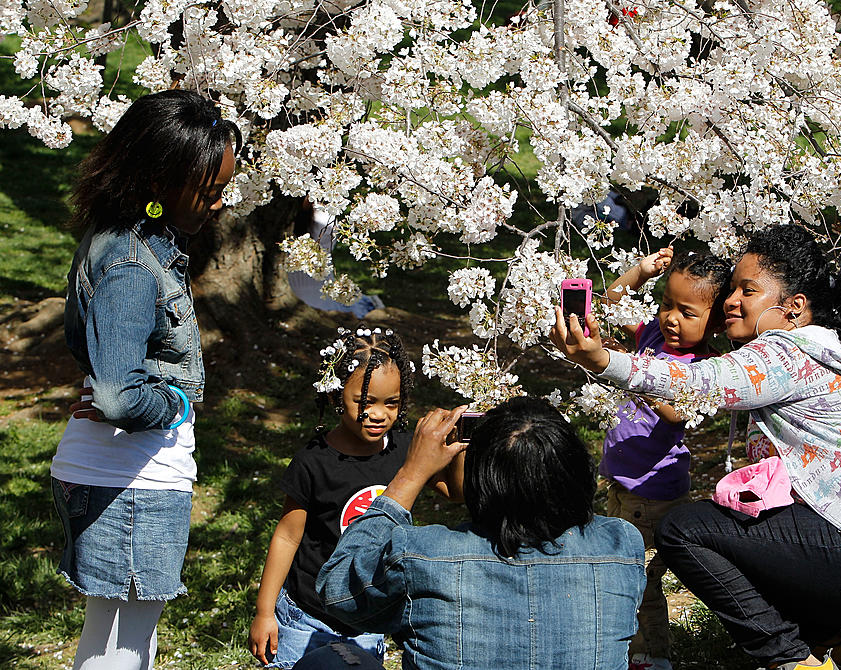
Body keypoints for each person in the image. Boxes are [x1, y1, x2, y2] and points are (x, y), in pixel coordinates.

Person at [551, 225, 841, 670]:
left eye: (747, 290)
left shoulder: (788, 352)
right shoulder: (825, 350)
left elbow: (700, 383)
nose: (731, 301)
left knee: (684, 530)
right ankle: (834, 642)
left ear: (793, 308)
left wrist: (604, 361)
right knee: (748, 522)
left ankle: (791, 660)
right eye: (732, 289)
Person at [52, 89, 240, 669]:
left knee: (109, 638)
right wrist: (174, 404)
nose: (217, 206)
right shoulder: (133, 263)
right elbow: (117, 392)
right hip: (133, 479)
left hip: (116, 474)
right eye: (209, 192)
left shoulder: (132, 242)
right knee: (126, 647)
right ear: (161, 179)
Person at [293, 396, 646, 670]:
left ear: (481, 484)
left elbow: (338, 590)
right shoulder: (620, 545)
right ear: (576, 474)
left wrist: (410, 474)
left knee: (330, 659)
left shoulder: (423, 557)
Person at [248, 326, 461, 668]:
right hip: (306, 617)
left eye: (391, 403)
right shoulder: (314, 461)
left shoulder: (406, 451)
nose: (379, 414)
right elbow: (288, 537)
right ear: (334, 397)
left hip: (367, 616)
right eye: (364, 402)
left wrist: (458, 445)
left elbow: (455, 493)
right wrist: (264, 611)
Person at [600, 247, 729, 670]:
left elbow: (676, 412)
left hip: (653, 490)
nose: (671, 317)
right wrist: (639, 271)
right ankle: (633, 645)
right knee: (624, 569)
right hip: (623, 481)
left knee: (641, 581)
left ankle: (652, 654)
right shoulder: (654, 338)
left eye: (687, 312)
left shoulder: (699, 365)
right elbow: (612, 302)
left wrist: (632, 371)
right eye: (666, 304)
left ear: (713, 321)